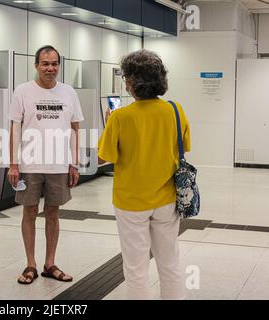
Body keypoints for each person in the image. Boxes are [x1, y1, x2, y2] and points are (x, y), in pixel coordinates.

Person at [98, 49, 191, 299]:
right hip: (167, 199)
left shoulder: (119, 116)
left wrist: (108, 126)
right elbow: (183, 147)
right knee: (170, 263)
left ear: (130, 82)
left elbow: (105, 156)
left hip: (131, 202)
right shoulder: (175, 110)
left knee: (136, 268)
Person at [8, 45, 84, 284]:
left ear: (59, 65)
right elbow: (15, 128)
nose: (50, 68)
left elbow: (75, 129)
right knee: (29, 211)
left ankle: (50, 263)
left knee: (53, 212)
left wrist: (74, 163)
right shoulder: (22, 91)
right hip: (29, 165)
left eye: (54, 64)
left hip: (59, 165)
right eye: (45, 63)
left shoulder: (69, 92)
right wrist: (13, 164)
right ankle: (30, 264)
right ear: (36, 65)